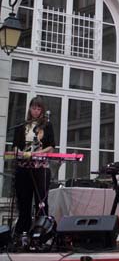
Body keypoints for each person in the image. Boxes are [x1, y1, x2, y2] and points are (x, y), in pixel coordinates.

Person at [12, 96, 55, 236]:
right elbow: (15, 146)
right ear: (29, 109)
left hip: (40, 168)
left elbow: (51, 147)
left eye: (38, 108)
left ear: (42, 110)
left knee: (40, 203)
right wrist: (18, 152)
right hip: (23, 168)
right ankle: (22, 233)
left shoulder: (47, 126)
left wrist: (35, 154)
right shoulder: (22, 126)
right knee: (24, 202)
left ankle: (41, 233)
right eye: (33, 108)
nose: (35, 111)